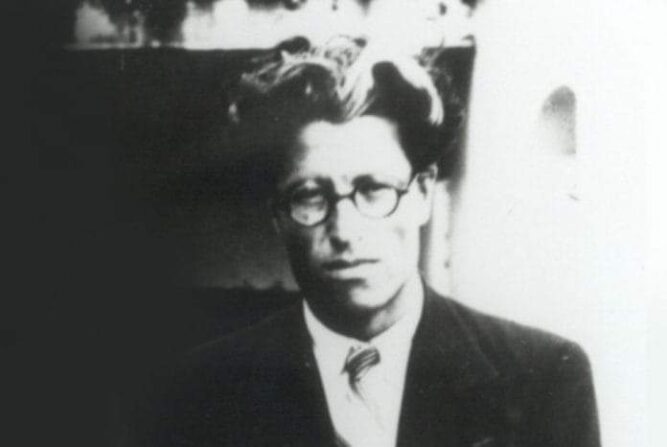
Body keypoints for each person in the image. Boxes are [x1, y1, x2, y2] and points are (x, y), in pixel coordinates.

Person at [131, 38, 600, 447]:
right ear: (278, 216)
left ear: (421, 193)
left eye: (373, 189)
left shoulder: (545, 377)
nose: (345, 230)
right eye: (310, 195)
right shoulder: (201, 392)